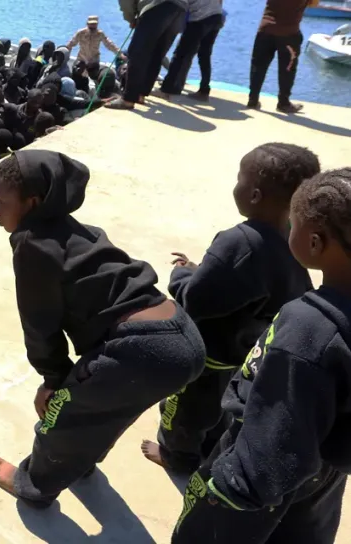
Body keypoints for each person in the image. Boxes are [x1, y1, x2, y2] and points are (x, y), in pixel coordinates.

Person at [0, 150, 205, 508]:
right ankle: (80, 462)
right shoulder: (81, 231)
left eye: (1, 202)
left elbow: (40, 323)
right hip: (180, 333)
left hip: (143, 348)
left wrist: (54, 379)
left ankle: (34, 485)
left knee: (62, 416)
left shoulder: (32, 244)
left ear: (32, 203)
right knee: (104, 410)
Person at [171, 167, 351, 544]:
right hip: (325, 467)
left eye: (293, 224)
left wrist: (230, 489)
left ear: (314, 243)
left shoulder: (308, 326)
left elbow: (271, 449)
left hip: (261, 480)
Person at [143, 143, 319, 474]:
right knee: (219, 406)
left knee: (182, 410)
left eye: (240, 178)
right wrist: (202, 270)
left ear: (254, 195)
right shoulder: (292, 239)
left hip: (206, 354)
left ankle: (176, 455)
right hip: (243, 352)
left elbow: (196, 300)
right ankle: (209, 444)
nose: (236, 184)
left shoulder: (239, 242)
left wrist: (182, 275)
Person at [108, 0, 189, 110]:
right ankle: (141, 95)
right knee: (157, 55)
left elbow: (125, 2)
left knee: (136, 53)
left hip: (158, 6)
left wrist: (131, 19)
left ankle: (128, 99)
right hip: (181, 11)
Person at [248, 0, 316, 113]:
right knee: (287, 70)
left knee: (258, 66)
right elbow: (314, 4)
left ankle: (253, 100)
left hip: (266, 28)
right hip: (289, 33)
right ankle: (283, 103)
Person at [159, 0, 225, 99]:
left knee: (180, 54)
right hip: (216, 15)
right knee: (204, 55)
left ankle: (167, 89)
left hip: (199, 18)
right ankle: (204, 90)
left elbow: (181, 4)